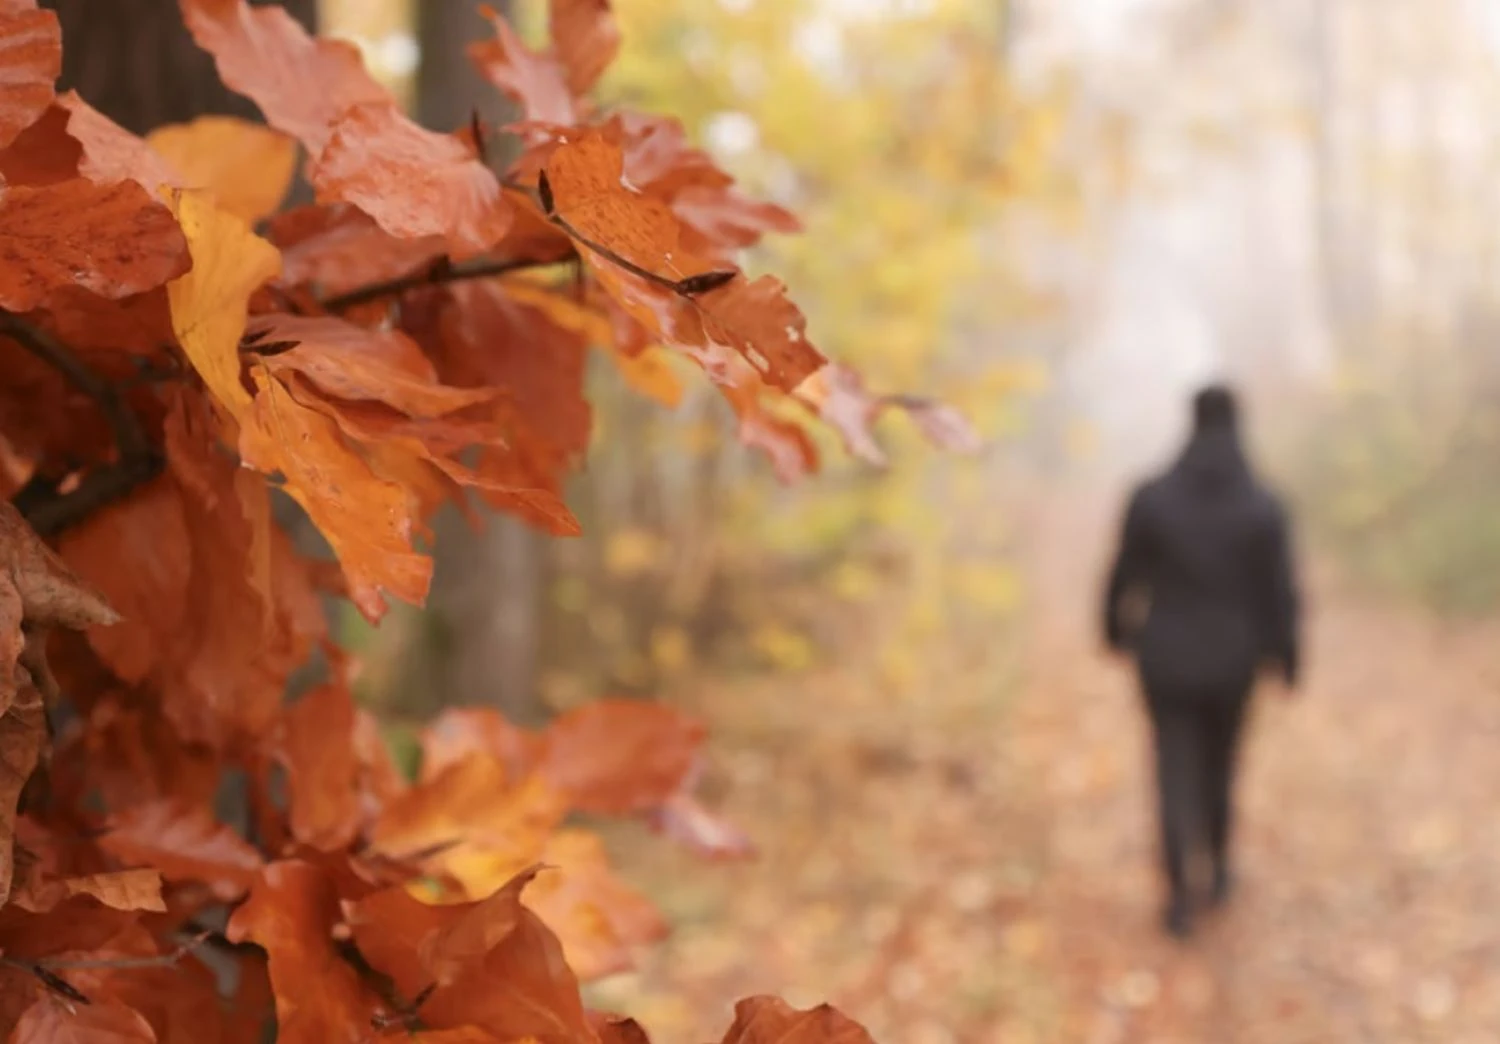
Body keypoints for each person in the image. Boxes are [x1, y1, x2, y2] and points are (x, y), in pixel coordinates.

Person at [1101, 383, 1301, 938]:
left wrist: (1114, 630)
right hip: (1235, 661)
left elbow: (1123, 573)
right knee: (1220, 765)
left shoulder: (1153, 496)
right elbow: (1280, 591)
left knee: (1172, 767)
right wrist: (1287, 656)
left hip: (1164, 657)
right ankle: (1216, 868)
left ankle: (1177, 893)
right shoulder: (1263, 504)